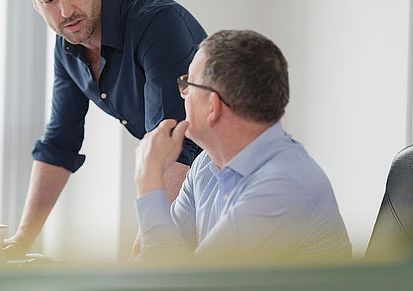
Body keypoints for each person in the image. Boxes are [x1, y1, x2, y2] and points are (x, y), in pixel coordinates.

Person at [4, 0, 207, 257]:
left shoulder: (156, 22)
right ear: (34, 3)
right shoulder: (68, 45)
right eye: (50, 0)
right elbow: (59, 145)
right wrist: (21, 241)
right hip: (178, 190)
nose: (67, 11)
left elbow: (174, 145)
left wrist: (143, 254)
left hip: (220, 191)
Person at [134, 30, 352, 264]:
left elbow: (187, 284)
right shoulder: (205, 165)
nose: (183, 94)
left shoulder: (282, 186)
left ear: (212, 105)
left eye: (188, 83)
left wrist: (149, 182)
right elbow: (165, 263)